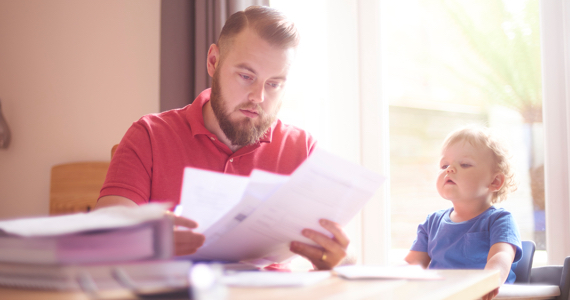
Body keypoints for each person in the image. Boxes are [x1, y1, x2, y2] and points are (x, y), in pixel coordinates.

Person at [94, 5, 349, 271]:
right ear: (213, 61)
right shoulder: (149, 136)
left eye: (274, 84)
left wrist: (338, 258)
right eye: (246, 76)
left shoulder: (303, 150)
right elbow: (102, 239)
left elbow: (342, 252)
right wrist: (147, 240)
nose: (258, 97)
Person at [404, 125, 522, 300]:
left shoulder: (499, 220)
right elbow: (413, 263)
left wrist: (487, 281)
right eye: (444, 165)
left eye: (465, 164)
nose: (449, 169)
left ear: (495, 181)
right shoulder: (432, 222)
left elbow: (501, 256)